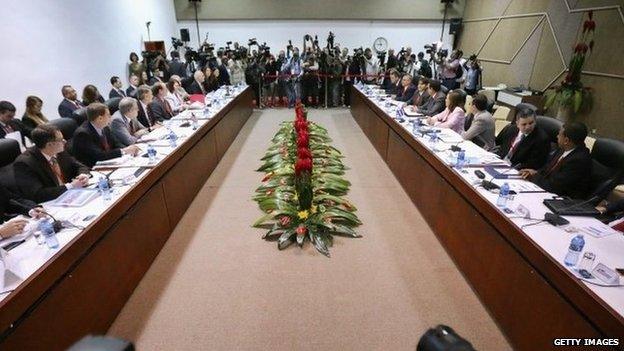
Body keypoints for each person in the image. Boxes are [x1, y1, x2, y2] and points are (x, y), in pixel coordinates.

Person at [14, 124, 91, 203]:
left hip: (72, 196)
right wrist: (70, 186)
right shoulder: (25, 163)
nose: (65, 141)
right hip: (51, 203)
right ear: (49, 144)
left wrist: (83, 175)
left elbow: (79, 165)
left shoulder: (59, 151)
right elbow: (37, 194)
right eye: (61, 139)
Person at [519, 122, 592, 199]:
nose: (557, 136)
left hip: (562, 200)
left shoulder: (579, 161)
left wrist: (534, 176)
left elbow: (554, 187)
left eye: (559, 134)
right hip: (546, 190)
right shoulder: (563, 148)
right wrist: (534, 172)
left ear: (566, 140)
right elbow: (547, 168)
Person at [71, 103, 140, 167]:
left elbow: (116, 143)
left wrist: (129, 150)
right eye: (108, 115)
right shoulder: (82, 134)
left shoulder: (105, 127)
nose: (110, 117)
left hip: (111, 162)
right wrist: (124, 151)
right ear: (100, 118)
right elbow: (99, 155)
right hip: (94, 168)